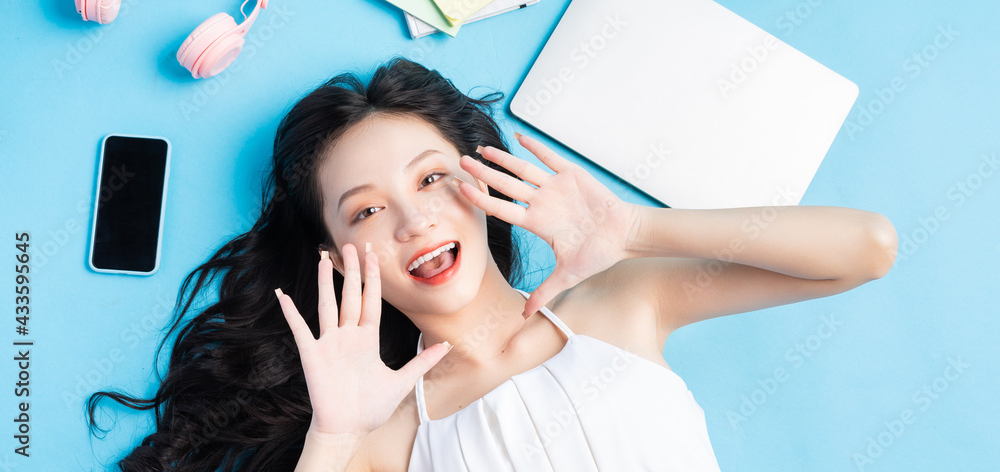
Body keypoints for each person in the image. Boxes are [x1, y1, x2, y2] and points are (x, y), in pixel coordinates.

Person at [87, 57, 898, 471]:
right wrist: (332, 435)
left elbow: (867, 248)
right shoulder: (383, 433)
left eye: (433, 179)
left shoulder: (619, 302)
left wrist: (639, 227)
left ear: (481, 180)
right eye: (368, 210)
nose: (415, 220)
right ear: (340, 258)